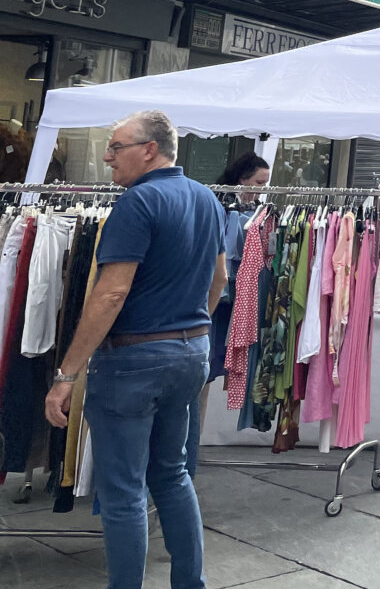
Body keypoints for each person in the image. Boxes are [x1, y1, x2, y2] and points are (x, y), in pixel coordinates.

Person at [44, 111, 226, 589]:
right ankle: (191, 583)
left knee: (124, 491)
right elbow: (220, 278)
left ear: (149, 149)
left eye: (116, 146)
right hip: (190, 352)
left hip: (133, 361)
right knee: (172, 475)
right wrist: (188, 327)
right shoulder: (207, 199)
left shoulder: (138, 203)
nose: (107, 156)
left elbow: (110, 294)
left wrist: (66, 374)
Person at [207, 152, 269, 383]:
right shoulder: (220, 206)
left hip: (238, 294)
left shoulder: (259, 209)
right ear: (242, 179)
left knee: (222, 354)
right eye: (259, 183)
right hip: (216, 288)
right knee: (208, 355)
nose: (262, 189)